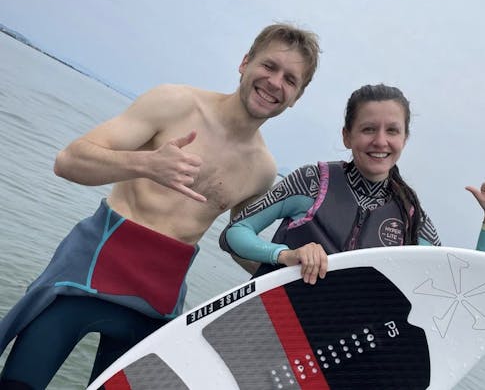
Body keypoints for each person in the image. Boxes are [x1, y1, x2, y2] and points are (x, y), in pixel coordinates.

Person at [0, 23, 321, 389]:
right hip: (87, 276)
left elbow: (238, 242)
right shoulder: (175, 104)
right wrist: (145, 164)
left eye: (290, 79)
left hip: (156, 307)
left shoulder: (262, 170)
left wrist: (289, 261)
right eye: (268, 66)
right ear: (245, 62)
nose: (275, 82)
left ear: (297, 96)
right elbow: (68, 161)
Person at [220, 84, 485, 284]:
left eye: (392, 131)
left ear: (405, 139)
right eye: (368, 129)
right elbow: (234, 233)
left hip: (342, 358)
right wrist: (285, 254)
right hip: (269, 326)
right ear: (347, 136)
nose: (380, 141)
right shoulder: (311, 182)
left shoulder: (411, 218)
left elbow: (464, 288)